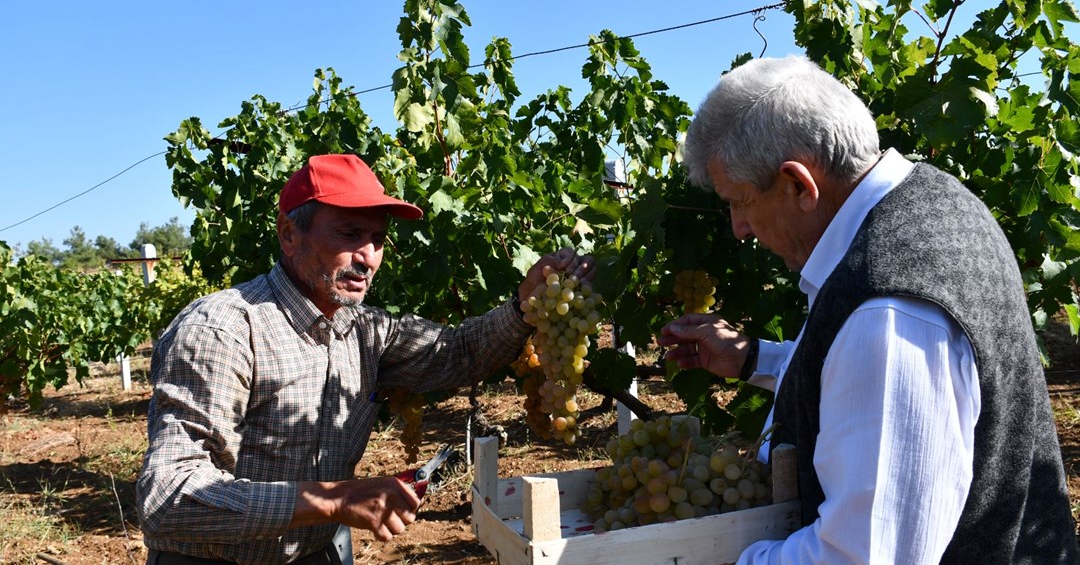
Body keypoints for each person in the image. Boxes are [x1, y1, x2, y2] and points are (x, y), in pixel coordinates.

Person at [657, 56, 1078, 564]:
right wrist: (754, 360)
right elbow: (851, 376)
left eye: (741, 201)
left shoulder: (887, 314)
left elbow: (862, 557)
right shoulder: (929, 199)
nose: (738, 228)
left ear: (798, 186)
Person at [136, 153, 593, 564]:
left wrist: (521, 307)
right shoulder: (224, 330)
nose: (368, 257)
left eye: (377, 238)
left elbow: (457, 353)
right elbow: (170, 498)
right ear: (289, 234)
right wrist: (335, 500)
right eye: (349, 234)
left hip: (315, 554)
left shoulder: (365, 330)